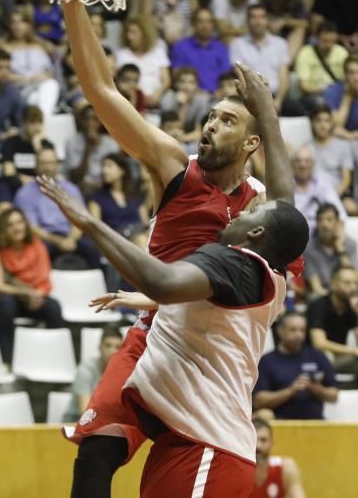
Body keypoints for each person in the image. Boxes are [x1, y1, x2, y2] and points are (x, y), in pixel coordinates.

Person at [44, 0, 292, 498]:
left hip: (210, 350)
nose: (210, 125)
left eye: (226, 121)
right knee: (95, 456)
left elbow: (281, 220)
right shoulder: (174, 166)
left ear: (251, 144)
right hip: (155, 336)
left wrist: (269, 115)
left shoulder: (264, 210)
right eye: (210, 116)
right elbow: (101, 89)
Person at [37, 182, 309, 498]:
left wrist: (89, 222)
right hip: (183, 441)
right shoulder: (268, 272)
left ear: (258, 232)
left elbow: (161, 282)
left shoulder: (236, 263)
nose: (245, 210)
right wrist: (269, 129)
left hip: (207, 446)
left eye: (255, 211)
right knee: (94, 455)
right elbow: (285, 205)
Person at [0, 207, 64, 362]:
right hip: (8, 296)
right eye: (10, 225)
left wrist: (36, 295)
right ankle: (6, 360)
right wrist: (26, 293)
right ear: (3, 230)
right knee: (6, 305)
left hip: (33, 295)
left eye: (19, 222)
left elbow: (45, 280)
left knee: (53, 306)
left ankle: (57, 357)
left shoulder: (37, 245)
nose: (17, 228)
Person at [14, 147, 102, 268]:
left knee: (93, 249)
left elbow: (81, 219)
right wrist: (57, 241)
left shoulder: (71, 189)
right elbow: (32, 227)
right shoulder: (24, 193)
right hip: (44, 238)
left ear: (57, 165)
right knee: (41, 249)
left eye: (51, 163)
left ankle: (103, 286)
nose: (47, 167)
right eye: (43, 163)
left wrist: (71, 239)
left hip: (70, 235)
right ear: (36, 166)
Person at [253, 311, 338, 420]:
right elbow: (258, 401)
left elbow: (334, 396)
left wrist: (316, 388)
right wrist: (291, 391)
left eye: (302, 330)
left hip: (316, 423)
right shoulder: (267, 361)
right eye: (293, 330)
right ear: (280, 330)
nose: (298, 335)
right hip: (280, 424)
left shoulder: (317, 357)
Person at [230, 4, 296, 116]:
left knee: (299, 112)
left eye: (261, 17)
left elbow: (284, 76)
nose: (258, 21)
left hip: (276, 96)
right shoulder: (237, 44)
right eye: (253, 17)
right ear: (248, 21)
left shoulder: (280, 44)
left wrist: (279, 100)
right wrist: (251, 99)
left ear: (267, 20)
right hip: (251, 96)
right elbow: (240, 75)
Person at [1, 10, 60, 118]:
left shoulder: (38, 46)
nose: (17, 26)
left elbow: (50, 71)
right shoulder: (4, 48)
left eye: (22, 22)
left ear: (28, 25)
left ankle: (42, 122)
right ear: (9, 26)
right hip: (18, 89)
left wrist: (44, 76)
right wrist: (28, 79)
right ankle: (43, 125)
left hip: (40, 87)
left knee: (51, 85)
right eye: (14, 22)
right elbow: (2, 74)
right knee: (36, 100)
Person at [63, 326, 123, 423]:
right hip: (75, 420)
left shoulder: (123, 372)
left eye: (117, 347)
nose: (112, 351)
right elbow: (84, 411)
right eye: (108, 345)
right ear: (100, 348)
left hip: (105, 421)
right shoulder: (85, 369)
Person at [307, 265, 358, 377]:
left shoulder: (350, 308)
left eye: (355, 283)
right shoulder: (319, 305)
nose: (353, 287)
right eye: (347, 283)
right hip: (315, 360)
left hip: (340, 358)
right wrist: (353, 351)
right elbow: (319, 344)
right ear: (333, 284)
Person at [170, 8, 231, 93]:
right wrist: (200, 93)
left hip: (218, 96)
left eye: (209, 21)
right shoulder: (180, 47)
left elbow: (227, 78)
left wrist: (218, 93)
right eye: (200, 21)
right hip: (191, 96)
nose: (205, 26)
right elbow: (177, 78)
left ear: (213, 25)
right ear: (193, 24)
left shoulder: (221, 48)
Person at [309, 105, 356, 212]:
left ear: (332, 124)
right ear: (312, 123)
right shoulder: (307, 148)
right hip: (314, 193)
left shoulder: (343, 145)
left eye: (327, 121)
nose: (323, 125)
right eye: (318, 121)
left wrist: (331, 197)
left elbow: (346, 179)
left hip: (339, 191)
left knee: (352, 208)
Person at [115, 17, 170, 109]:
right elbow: (119, 81)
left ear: (145, 34)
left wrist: (157, 94)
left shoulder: (158, 52)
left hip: (156, 97)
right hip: (131, 97)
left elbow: (166, 81)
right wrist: (138, 96)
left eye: (134, 33)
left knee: (170, 98)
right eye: (128, 32)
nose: (129, 37)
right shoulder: (121, 55)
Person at [64, 104, 119, 195]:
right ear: (81, 122)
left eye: (94, 119)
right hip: (80, 189)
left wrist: (99, 186)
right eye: (86, 119)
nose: (90, 123)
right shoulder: (72, 142)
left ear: (100, 122)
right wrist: (88, 149)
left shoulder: (111, 144)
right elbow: (75, 177)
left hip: (104, 188)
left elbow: (114, 175)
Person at [88, 153, 147, 236]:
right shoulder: (97, 198)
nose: (104, 170)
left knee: (143, 238)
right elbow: (95, 228)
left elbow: (145, 223)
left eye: (109, 166)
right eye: (103, 166)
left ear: (122, 171)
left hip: (138, 235)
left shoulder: (135, 196)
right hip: (114, 240)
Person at [304, 204, 356, 296]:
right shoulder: (309, 247)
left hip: (349, 294)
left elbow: (353, 280)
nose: (324, 224)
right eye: (320, 220)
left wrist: (340, 249)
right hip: (323, 297)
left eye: (329, 220)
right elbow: (316, 288)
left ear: (338, 223)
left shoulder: (349, 244)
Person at [291, 145, 347, 231]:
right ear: (292, 164)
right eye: (298, 161)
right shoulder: (285, 184)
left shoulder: (322, 180)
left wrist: (339, 229)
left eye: (307, 161)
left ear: (313, 164)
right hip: (294, 232)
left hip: (319, 234)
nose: (303, 165)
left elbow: (338, 209)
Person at [294, 21, 348, 109]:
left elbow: (348, 80)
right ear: (316, 38)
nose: (329, 45)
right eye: (325, 41)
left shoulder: (342, 52)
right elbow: (304, 87)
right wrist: (326, 91)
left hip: (338, 94)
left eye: (332, 41)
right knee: (323, 103)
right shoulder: (305, 53)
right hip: (315, 95)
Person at [250, 418, 306, 497]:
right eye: (255, 440)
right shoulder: (238, 471)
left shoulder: (286, 468)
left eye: (263, 440)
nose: (258, 446)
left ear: (271, 443)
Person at [1, 104, 54, 184]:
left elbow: (49, 173)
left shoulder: (47, 145)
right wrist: (32, 181)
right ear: (23, 123)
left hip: (41, 187)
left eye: (39, 122)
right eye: (32, 122)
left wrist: (38, 149)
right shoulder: (11, 143)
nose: (37, 126)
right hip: (16, 187)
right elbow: (8, 172)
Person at [160, 66, 211, 146]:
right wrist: (181, 107)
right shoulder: (168, 98)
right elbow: (170, 129)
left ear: (196, 86)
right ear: (176, 84)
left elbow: (199, 132)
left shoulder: (202, 101)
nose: (186, 86)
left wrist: (183, 138)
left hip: (189, 138)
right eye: (182, 82)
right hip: (169, 137)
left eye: (191, 82)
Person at [323, 53, 358, 137]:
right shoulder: (332, 92)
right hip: (340, 140)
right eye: (351, 73)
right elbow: (335, 126)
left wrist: (351, 136)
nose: (356, 77)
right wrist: (347, 97)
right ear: (345, 75)